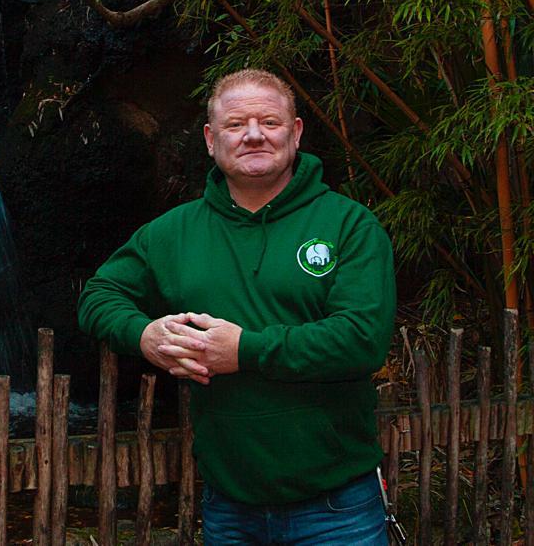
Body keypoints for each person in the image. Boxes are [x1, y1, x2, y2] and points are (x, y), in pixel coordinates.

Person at [77, 68, 395, 544]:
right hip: (230, 507)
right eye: (235, 124)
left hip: (336, 506)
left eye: (269, 121)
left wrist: (244, 349)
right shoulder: (174, 233)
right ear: (210, 139)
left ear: (296, 132)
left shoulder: (350, 225)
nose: (253, 135)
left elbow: (361, 341)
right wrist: (145, 336)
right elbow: (98, 296)